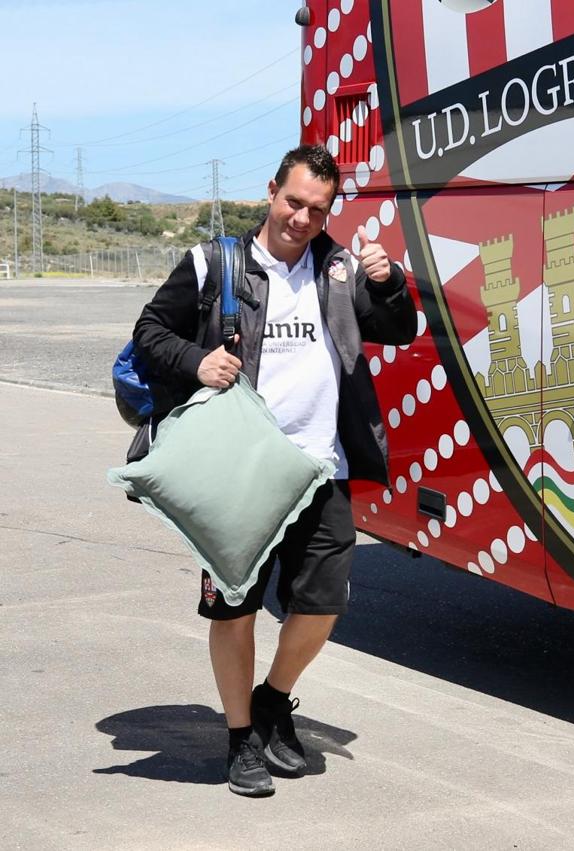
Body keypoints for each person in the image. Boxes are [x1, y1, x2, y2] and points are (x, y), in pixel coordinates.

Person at [131, 144, 416, 797]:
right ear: (270, 191)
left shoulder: (338, 268)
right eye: (294, 202)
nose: (302, 218)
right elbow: (149, 332)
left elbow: (399, 327)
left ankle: (271, 699)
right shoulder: (214, 264)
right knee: (233, 608)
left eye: (317, 209)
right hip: (239, 469)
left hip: (321, 467)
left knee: (323, 603)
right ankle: (240, 741)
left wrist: (388, 281)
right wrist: (196, 362)